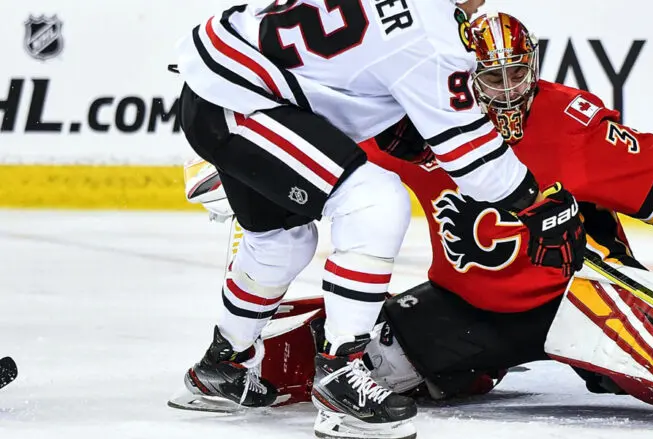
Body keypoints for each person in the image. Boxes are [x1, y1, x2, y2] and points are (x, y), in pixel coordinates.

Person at [184, 10, 653, 432]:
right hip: (465, 308)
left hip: (582, 297)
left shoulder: (568, 121)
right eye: (488, 78)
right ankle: (238, 361)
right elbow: (330, 149)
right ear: (461, 77)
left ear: (534, 69)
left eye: (515, 75)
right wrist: (248, 168)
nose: (504, 92)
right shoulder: (421, 115)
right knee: (348, 349)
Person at [168, 2, 586, 439]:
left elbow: (346, 55)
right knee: (374, 201)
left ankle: (221, 365)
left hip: (223, 83)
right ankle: (340, 379)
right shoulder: (434, 35)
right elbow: (473, 159)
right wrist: (536, 203)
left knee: (282, 242)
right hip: (243, 104)